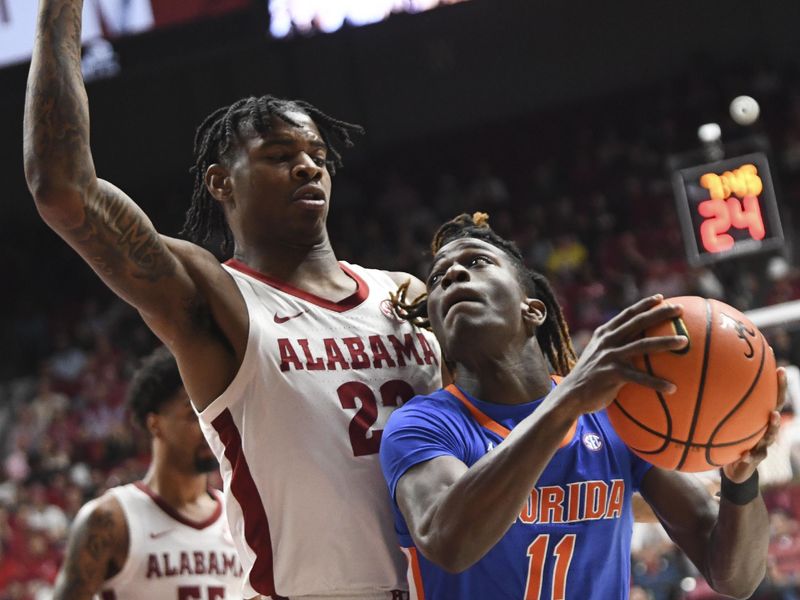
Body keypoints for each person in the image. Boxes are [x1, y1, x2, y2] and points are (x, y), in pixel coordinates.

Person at [24, 1, 441, 598]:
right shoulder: (215, 296)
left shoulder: (405, 295)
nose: (306, 168)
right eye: (278, 156)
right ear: (221, 181)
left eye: (317, 157)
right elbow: (63, 190)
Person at [380, 212, 785, 599]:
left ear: (533, 309)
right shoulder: (421, 425)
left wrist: (740, 479)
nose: (451, 274)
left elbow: (734, 576)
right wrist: (567, 400)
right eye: (436, 279)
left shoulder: (616, 415)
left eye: (477, 261)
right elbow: (447, 541)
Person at [52, 346, 243, 599]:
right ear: (155, 424)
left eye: (213, 414)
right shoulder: (110, 519)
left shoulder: (240, 516)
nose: (210, 427)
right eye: (194, 415)